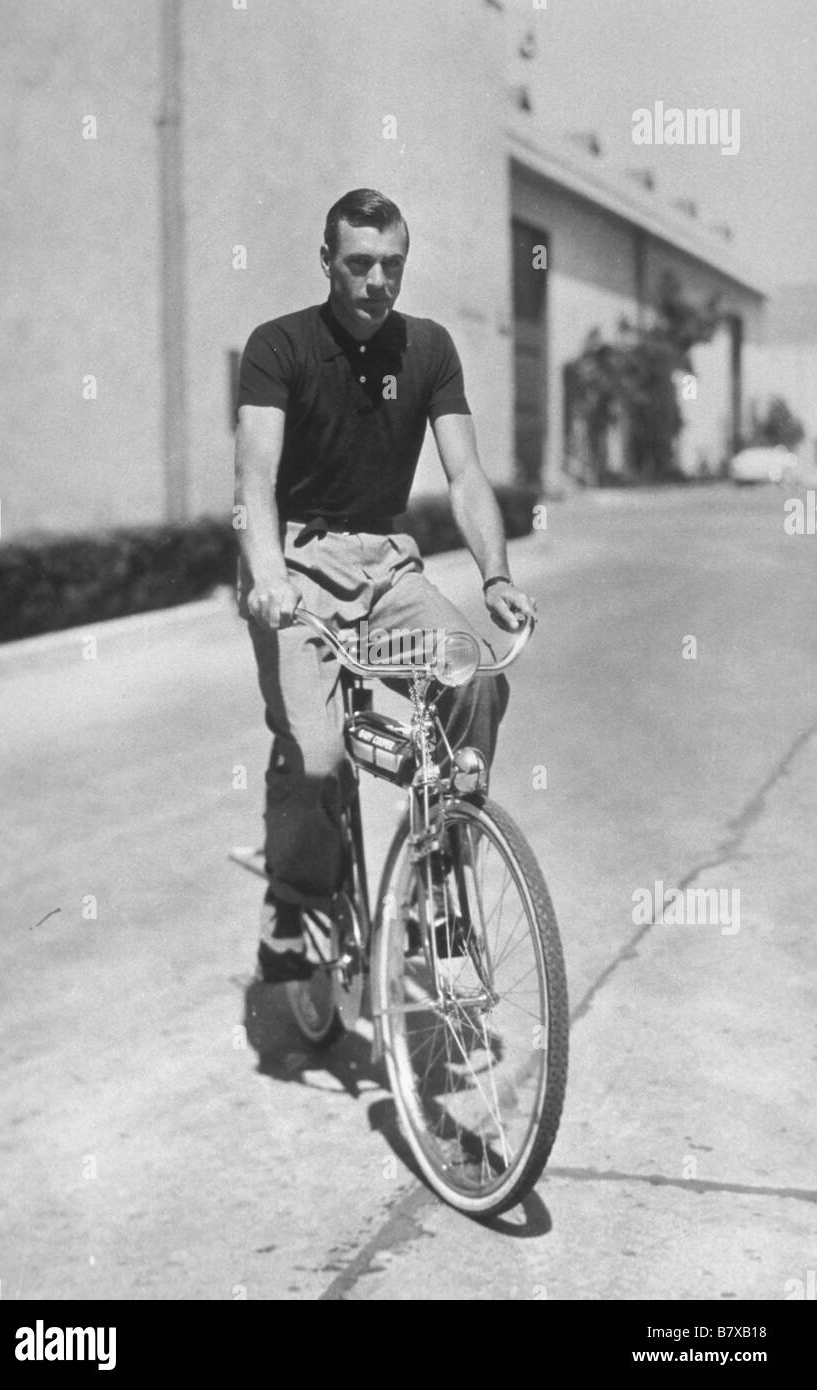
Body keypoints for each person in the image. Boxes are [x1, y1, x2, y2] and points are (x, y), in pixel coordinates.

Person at [234, 188, 535, 983]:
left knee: (471, 680)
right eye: (360, 263)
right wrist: (267, 576)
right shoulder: (279, 346)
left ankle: (435, 886)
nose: (376, 281)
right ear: (327, 260)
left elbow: (465, 475)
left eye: (392, 265)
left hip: (386, 564)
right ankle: (294, 901)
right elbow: (254, 481)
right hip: (295, 563)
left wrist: (495, 574)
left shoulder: (429, 349)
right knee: (320, 756)